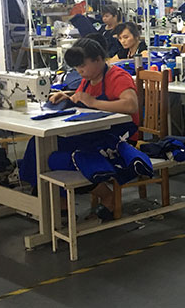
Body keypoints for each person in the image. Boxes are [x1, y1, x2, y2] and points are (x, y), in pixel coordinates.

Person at [47, 37, 140, 219]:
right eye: (76, 67)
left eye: (82, 66)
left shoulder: (118, 77)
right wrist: (68, 96)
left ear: (98, 59)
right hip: (95, 133)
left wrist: (93, 102)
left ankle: (107, 196)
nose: (79, 71)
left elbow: (131, 105)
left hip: (120, 139)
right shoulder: (89, 79)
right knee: (45, 146)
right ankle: (56, 200)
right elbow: (84, 97)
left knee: (59, 155)